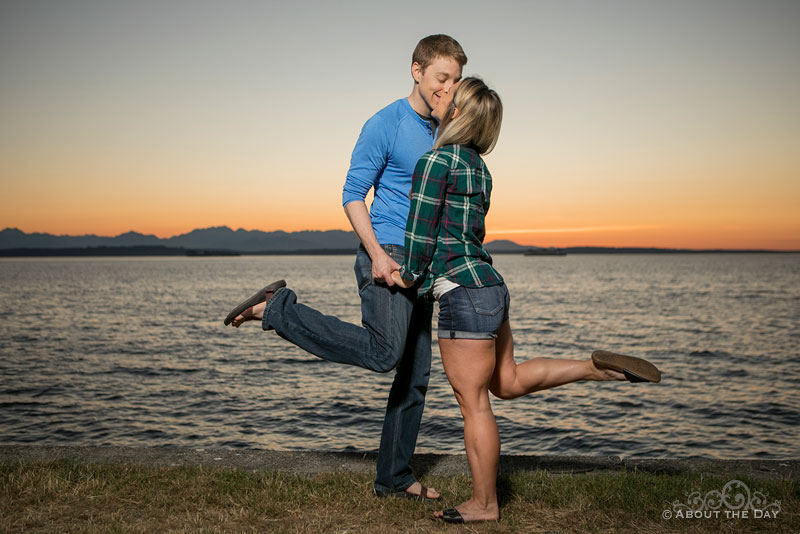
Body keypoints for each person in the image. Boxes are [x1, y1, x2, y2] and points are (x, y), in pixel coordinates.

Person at [391, 77, 662, 523]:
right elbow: (467, 235)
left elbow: (420, 237)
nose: (440, 99)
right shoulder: (479, 168)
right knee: (507, 382)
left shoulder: (435, 161)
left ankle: (484, 504)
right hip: (491, 287)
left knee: (474, 402)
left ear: (457, 114)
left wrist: (406, 278)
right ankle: (595, 369)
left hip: (462, 291)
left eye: (449, 97)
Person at [223, 35, 468, 501]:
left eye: (455, 80)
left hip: (423, 261)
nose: (449, 88)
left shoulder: (444, 127)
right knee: (383, 353)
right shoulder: (385, 124)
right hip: (388, 251)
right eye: (442, 78)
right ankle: (277, 310)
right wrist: (376, 253)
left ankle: (394, 479)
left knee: (415, 377)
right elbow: (352, 194)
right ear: (417, 71)